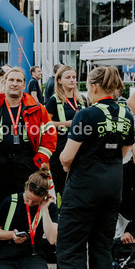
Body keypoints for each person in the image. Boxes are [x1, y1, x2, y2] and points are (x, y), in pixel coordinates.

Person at [55, 66, 135, 269]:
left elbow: (66, 157)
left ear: (94, 87)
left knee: (72, 247)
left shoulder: (86, 114)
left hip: (83, 189)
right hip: (113, 188)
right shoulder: (126, 114)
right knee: (101, 247)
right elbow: (124, 151)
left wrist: (70, 167)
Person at [0, 66, 56, 244]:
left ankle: (29, 241)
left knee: (27, 203)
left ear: (24, 84)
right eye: (11, 80)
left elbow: (50, 134)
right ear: (4, 83)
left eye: (18, 81)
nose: (14, 84)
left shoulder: (37, 108)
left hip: (26, 162)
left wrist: (38, 161)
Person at [0, 165, 62, 269]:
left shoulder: (49, 207)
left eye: (35, 201)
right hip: (7, 257)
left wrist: (44, 209)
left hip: (33, 257)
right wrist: (11, 235)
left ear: (44, 197)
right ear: (25, 187)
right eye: (27, 198)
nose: (29, 203)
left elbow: (52, 239)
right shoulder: (10, 201)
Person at [45, 65, 87, 200]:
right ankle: (61, 214)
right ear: (59, 80)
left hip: (79, 148)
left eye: (74, 77)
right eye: (68, 77)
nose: (72, 80)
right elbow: (45, 123)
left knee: (78, 185)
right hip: (60, 149)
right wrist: (66, 124)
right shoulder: (54, 100)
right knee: (62, 187)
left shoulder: (82, 100)